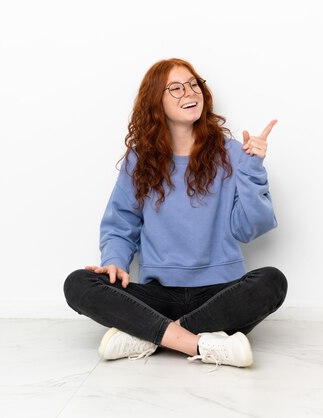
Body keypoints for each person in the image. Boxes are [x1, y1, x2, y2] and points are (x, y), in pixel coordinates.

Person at [63, 58, 288, 369]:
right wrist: (114, 262)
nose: (190, 92)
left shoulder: (233, 153)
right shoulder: (139, 160)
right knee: (78, 283)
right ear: (157, 101)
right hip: (159, 294)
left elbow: (250, 228)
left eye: (194, 84)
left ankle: (150, 334)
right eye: (177, 88)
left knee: (272, 281)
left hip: (219, 293)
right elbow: (121, 223)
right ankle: (198, 343)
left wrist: (252, 169)